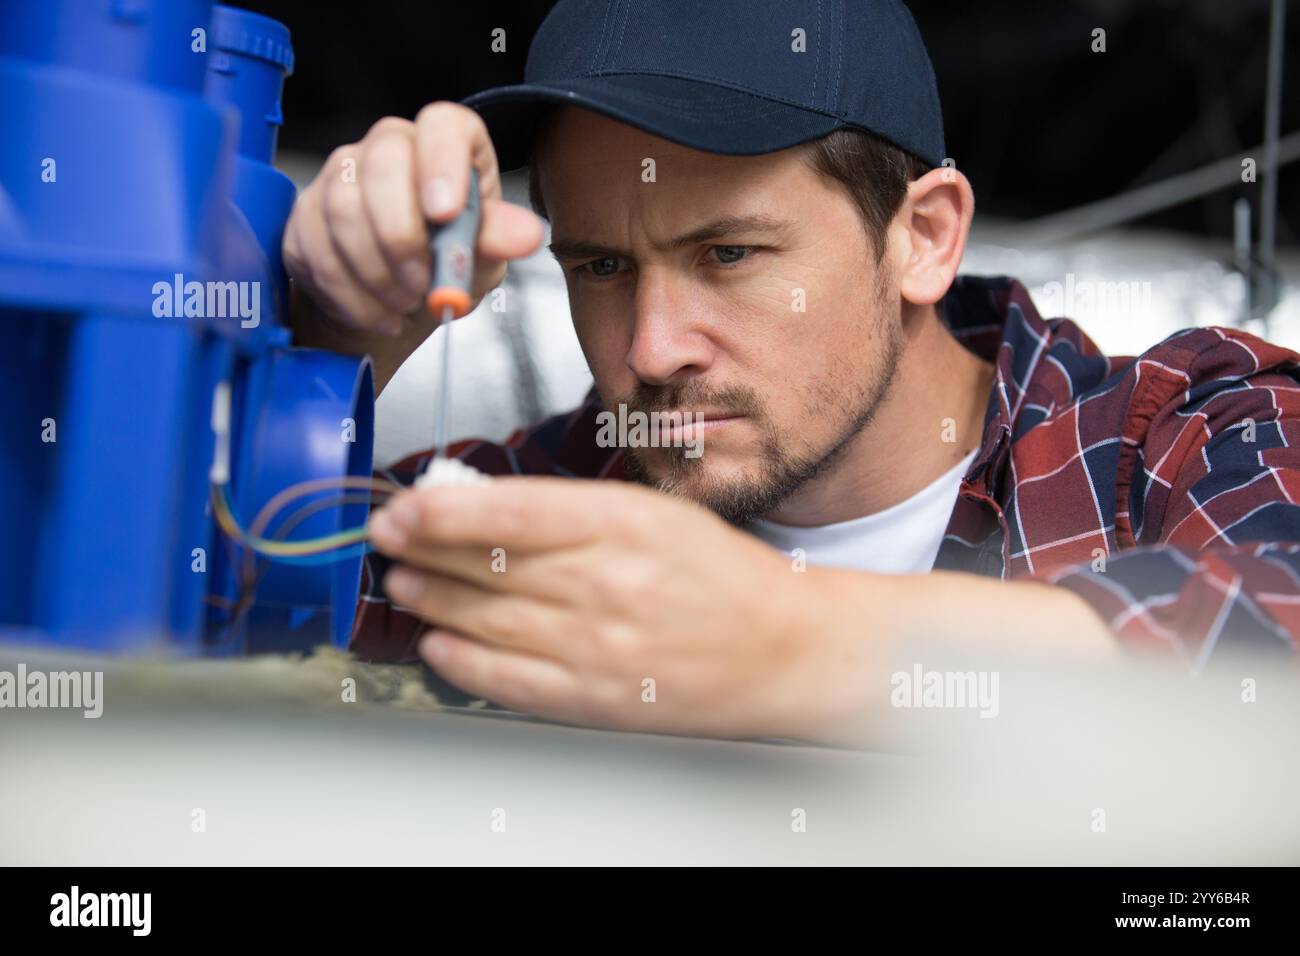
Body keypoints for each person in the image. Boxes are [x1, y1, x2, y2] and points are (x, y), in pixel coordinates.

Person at [283, 0, 1300, 747]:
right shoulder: (556, 492)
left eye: (727, 254)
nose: (649, 350)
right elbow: (196, 609)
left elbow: (1267, 647)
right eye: (600, 265)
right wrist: (334, 342)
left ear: (923, 238)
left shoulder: (1174, 436)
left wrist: (785, 638)